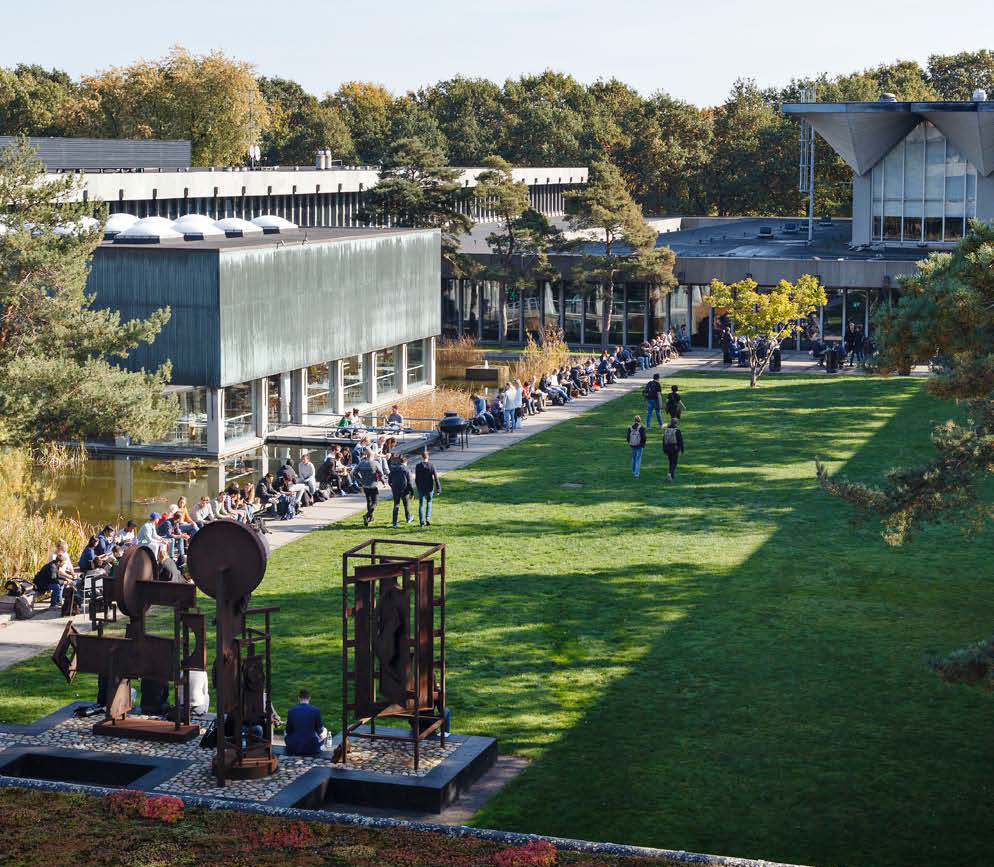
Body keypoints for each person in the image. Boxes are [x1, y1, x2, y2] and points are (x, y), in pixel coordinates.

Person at [284, 689, 326, 756]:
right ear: (309, 698)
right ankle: (321, 747)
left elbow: (288, 730)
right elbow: (319, 730)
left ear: (298, 698)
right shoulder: (316, 711)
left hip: (294, 746)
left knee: (285, 732)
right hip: (311, 746)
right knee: (325, 730)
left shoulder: (291, 711)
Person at [414, 451, 441, 527]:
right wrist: (438, 489)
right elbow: (436, 478)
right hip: (429, 487)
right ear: (428, 457)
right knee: (429, 502)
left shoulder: (418, 466)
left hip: (421, 487)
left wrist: (418, 486)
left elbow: (416, 479)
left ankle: (422, 522)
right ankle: (427, 518)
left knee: (421, 505)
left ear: (421, 457)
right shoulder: (431, 466)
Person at [354, 452, 380, 527]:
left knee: (369, 501)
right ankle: (367, 515)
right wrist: (382, 481)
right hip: (373, 485)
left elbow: (355, 473)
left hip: (365, 485)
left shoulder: (361, 463)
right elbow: (381, 472)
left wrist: (361, 480)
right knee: (375, 502)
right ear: (372, 456)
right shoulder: (375, 463)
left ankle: (370, 517)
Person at [388, 455, 414, 528]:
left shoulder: (393, 469)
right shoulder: (406, 469)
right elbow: (409, 482)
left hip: (395, 489)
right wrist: (411, 491)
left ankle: (394, 523)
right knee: (406, 505)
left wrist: (392, 487)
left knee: (396, 505)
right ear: (406, 462)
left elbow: (389, 481)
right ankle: (408, 518)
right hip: (404, 489)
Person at [662, 418, 685, 482]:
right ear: (676, 423)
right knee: (674, 462)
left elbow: (663, 440)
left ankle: (672, 476)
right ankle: (669, 473)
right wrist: (682, 449)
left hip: (667, 448)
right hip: (675, 448)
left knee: (670, 462)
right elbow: (680, 441)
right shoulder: (677, 431)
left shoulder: (666, 430)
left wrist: (664, 449)